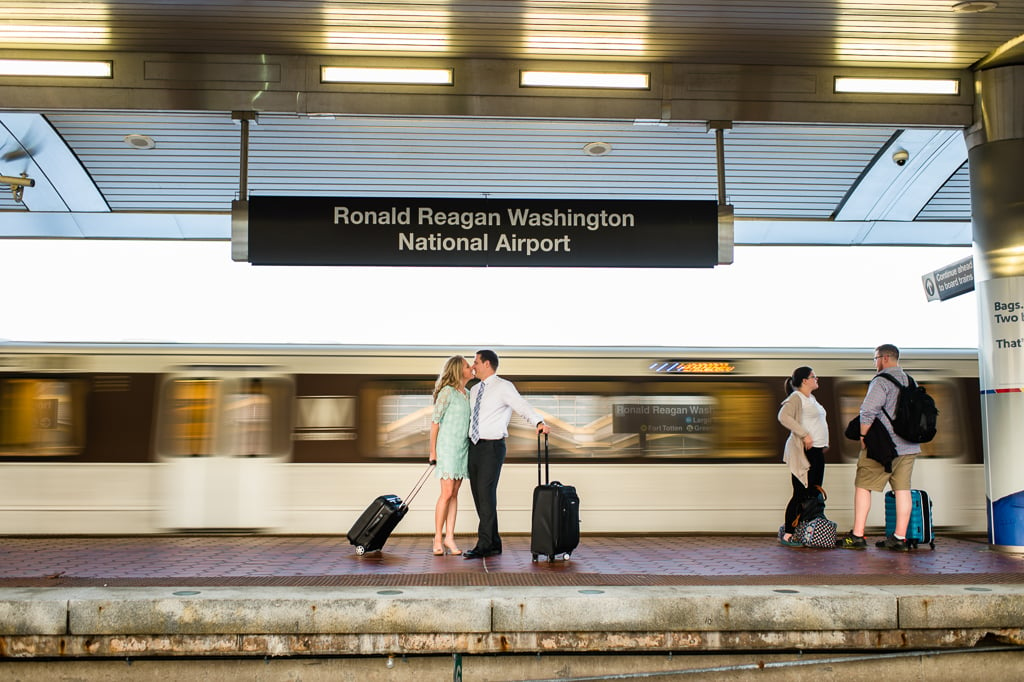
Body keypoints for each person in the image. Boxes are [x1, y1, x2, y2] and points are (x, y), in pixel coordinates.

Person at [463, 349, 550, 559]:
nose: (473, 365)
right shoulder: (474, 390)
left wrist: (538, 422)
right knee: (479, 495)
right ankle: (493, 543)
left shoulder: (504, 386)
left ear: (487, 364)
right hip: (474, 447)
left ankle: (484, 544)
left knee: (485, 494)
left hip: (492, 447)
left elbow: (522, 406)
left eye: (475, 362)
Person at [837, 344, 922, 551]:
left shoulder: (881, 381)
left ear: (884, 358)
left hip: (882, 446)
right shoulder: (911, 381)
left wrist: (863, 435)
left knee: (863, 485)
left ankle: (857, 535)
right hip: (909, 446)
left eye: (875, 359)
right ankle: (899, 538)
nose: (875, 363)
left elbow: (868, 410)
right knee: (902, 490)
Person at [776, 366, 829, 547]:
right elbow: (783, 417)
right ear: (804, 381)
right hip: (803, 452)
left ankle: (806, 531)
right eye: (813, 376)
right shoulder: (796, 398)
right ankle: (788, 534)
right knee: (800, 493)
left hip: (816, 452)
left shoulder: (811, 399)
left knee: (813, 493)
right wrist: (804, 434)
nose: (817, 379)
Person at [428, 355, 473, 556]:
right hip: (447, 448)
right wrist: (433, 452)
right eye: (466, 365)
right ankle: (438, 538)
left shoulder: (468, 393)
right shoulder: (447, 392)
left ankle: (450, 538)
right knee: (446, 493)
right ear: (457, 370)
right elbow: (435, 423)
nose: (471, 367)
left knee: (454, 494)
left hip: (462, 448)